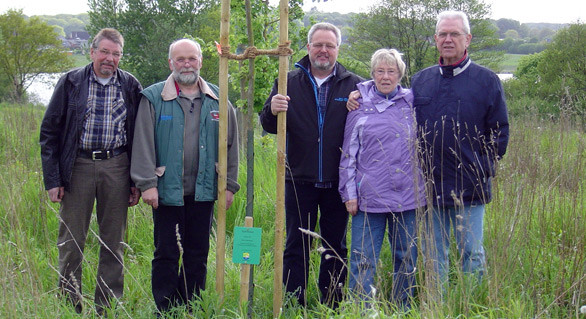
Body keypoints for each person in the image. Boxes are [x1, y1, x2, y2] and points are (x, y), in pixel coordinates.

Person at [347, 11, 509, 288]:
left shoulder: (487, 80)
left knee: (471, 253)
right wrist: (358, 92)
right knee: (435, 255)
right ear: (435, 39)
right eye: (443, 34)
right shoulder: (422, 80)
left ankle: (473, 304)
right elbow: (389, 93)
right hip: (428, 187)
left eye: (454, 34)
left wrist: (481, 167)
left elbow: (499, 133)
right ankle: (438, 305)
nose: (448, 39)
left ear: (467, 38)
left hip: (471, 187)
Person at [130, 38, 240, 314]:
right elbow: (142, 143)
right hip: (165, 190)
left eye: (192, 58)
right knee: (166, 252)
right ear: (171, 63)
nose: (186, 64)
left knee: (197, 254)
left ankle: (191, 306)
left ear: (201, 61)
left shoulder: (219, 97)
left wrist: (229, 186)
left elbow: (232, 145)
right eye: (180, 59)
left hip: (204, 191)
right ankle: (165, 308)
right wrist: (147, 184)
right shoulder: (153, 97)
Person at [40, 28, 142, 315]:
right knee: (71, 241)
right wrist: (53, 179)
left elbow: (138, 134)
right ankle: (70, 305)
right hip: (78, 166)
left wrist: (136, 180)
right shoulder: (71, 82)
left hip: (117, 166)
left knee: (114, 242)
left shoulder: (130, 85)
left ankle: (106, 306)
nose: (110, 58)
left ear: (121, 56)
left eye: (116, 53)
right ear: (93, 52)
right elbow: (49, 132)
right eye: (105, 52)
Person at [260, 22, 362, 307]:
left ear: (338, 49)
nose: (323, 50)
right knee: (296, 245)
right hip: (298, 179)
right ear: (308, 47)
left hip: (337, 181)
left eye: (330, 45)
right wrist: (271, 109)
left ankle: (332, 303)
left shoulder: (354, 84)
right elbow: (267, 124)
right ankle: (295, 303)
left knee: (335, 246)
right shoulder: (287, 80)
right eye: (318, 44)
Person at [339, 48, 426, 309]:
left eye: (391, 71)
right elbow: (348, 155)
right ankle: (361, 309)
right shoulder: (359, 105)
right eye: (380, 71)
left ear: (400, 74)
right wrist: (350, 194)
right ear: (373, 73)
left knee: (406, 257)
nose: (385, 76)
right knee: (363, 259)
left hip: (408, 198)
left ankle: (403, 308)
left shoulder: (413, 103)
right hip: (368, 199)